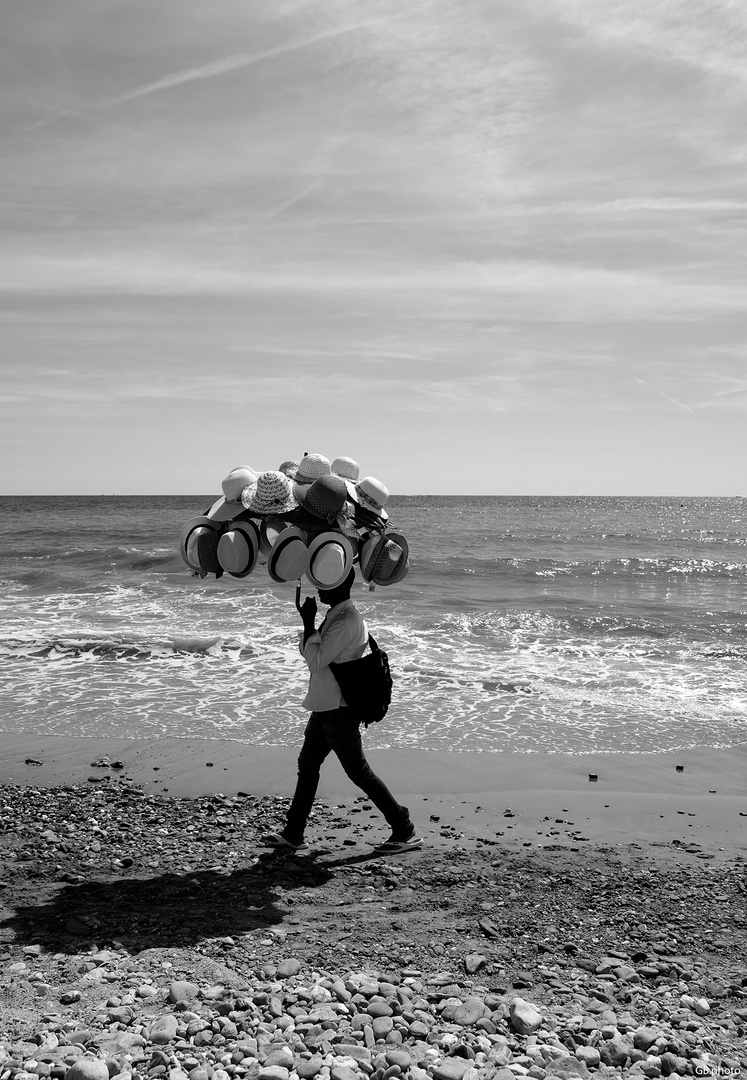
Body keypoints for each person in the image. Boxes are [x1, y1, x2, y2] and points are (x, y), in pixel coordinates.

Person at [261, 568, 421, 854]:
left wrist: (308, 621)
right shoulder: (337, 615)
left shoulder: (346, 621)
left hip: (338, 709)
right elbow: (311, 654)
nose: (320, 587)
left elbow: (315, 661)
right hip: (325, 706)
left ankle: (404, 828)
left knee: (357, 772)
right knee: (308, 766)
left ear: (342, 586)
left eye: (327, 582)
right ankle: (294, 833)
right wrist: (310, 626)